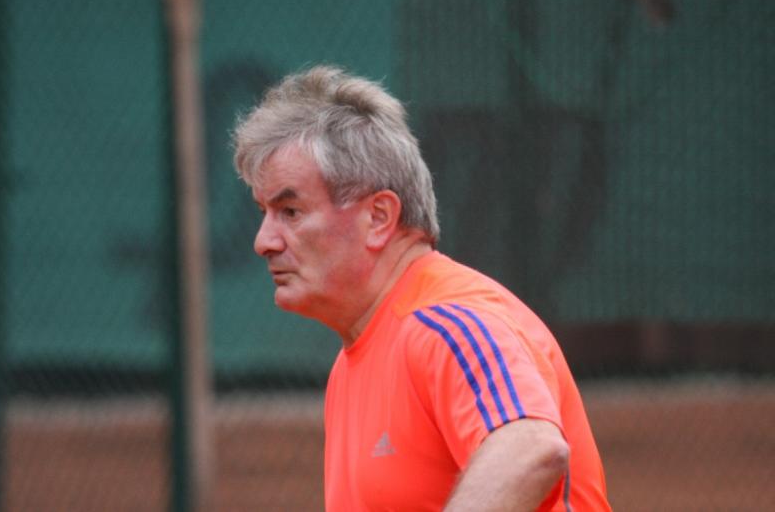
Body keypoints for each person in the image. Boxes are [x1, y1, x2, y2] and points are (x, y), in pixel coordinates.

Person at [233, 65, 611, 511]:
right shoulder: (355, 360)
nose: (264, 241)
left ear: (378, 217)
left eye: (291, 212)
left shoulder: (446, 324)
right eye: (264, 213)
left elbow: (531, 447)